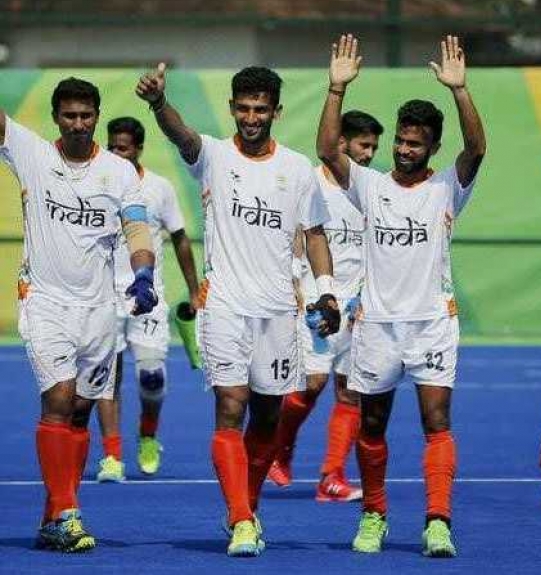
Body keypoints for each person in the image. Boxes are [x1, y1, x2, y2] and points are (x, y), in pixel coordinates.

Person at [136, 63, 340, 557]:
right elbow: (181, 135)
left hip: (278, 312)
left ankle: (248, 508)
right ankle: (241, 518)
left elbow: (314, 234)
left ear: (275, 111)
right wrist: (159, 103)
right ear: (232, 108)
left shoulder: (296, 169)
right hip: (224, 305)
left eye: (261, 109)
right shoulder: (213, 156)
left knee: (268, 418)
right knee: (231, 407)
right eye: (244, 108)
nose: (251, 117)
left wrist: (327, 291)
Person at [317, 34, 485, 557]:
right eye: (401, 142)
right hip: (376, 326)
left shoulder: (447, 188)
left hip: (433, 322)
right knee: (371, 424)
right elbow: (327, 149)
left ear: (433, 147)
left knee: (437, 422)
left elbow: (477, 148)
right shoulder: (369, 185)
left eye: (416, 144)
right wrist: (336, 88)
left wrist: (461, 92)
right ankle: (374, 515)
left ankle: (438, 522)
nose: (405, 150)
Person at [0, 77, 157, 552]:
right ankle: (69, 513)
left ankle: (53, 516)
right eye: (69, 116)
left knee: (82, 412)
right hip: (45, 301)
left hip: (98, 310)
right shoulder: (30, 153)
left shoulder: (119, 171)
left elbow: (136, 228)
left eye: (86, 116)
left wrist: (143, 275)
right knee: (60, 399)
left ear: (97, 116)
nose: (78, 124)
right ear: (55, 118)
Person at [267, 110, 384, 503]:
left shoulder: (372, 189)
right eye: (363, 145)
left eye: (373, 147)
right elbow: (296, 239)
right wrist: (296, 286)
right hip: (317, 300)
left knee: (351, 393)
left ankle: (330, 478)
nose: (369, 154)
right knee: (313, 384)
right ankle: (278, 449)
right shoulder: (309, 183)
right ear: (341, 144)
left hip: (357, 307)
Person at [94, 116, 200, 482]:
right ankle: (111, 456)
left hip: (147, 296)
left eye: (122, 147)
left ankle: (149, 435)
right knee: (106, 377)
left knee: (151, 379)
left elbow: (181, 238)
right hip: (105, 296)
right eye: (112, 146)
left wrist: (194, 288)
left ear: (138, 148)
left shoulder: (159, 188)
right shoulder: (98, 184)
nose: (116, 153)